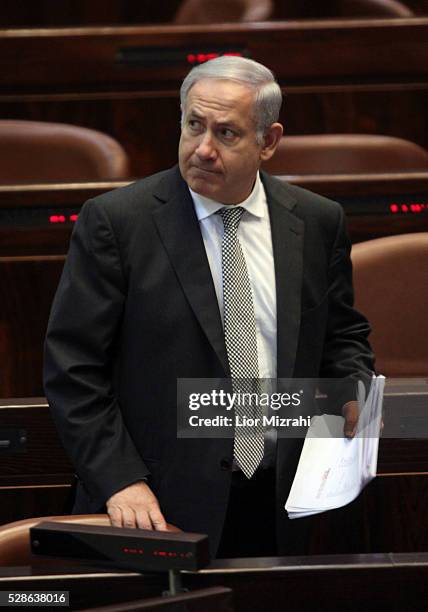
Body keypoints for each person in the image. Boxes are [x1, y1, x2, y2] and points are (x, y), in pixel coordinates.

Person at [44, 56, 374, 558]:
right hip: (155, 502)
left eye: (227, 133)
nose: (203, 149)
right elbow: (74, 370)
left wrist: (352, 390)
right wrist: (119, 481)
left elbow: (341, 336)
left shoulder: (316, 221)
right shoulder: (116, 222)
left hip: (282, 499)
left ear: (269, 141)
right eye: (193, 125)